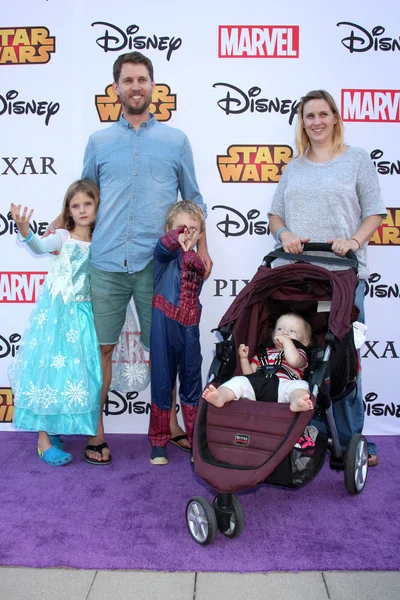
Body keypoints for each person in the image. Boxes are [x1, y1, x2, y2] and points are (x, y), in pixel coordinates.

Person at [49, 51, 212, 463]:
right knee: (99, 350)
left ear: (153, 86)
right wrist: (57, 225)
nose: (135, 86)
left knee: (165, 350)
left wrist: (204, 250)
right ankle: (95, 432)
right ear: (116, 88)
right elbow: (83, 193)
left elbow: (193, 200)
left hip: (159, 266)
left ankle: (170, 425)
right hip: (104, 264)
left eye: (142, 79)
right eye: (127, 80)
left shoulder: (176, 141)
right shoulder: (98, 142)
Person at [268, 89, 387, 467]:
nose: (316, 122)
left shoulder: (357, 160)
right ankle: (311, 433)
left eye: (323, 114)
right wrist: (284, 235)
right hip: (300, 279)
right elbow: (275, 215)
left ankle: (352, 442)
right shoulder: (294, 166)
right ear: (301, 122)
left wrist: (352, 240)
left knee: (344, 365)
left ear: (335, 117)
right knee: (302, 359)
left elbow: (375, 213)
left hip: (344, 278)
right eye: (309, 116)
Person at [8, 180, 103, 466]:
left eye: (88, 204)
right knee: (49, 372)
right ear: (68, 211)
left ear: (98, 206)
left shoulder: (101, 240)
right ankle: (43, 440)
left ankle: (57, 427)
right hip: (58, 317)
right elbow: (39, 246)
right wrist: (26, 232)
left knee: (78, 374)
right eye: (76, 206)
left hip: (86, 317)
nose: (82, 210)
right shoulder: (62, 237)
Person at [148, 201, 205, 464]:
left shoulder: (196, 260)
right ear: (169, 229)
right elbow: (165, 246)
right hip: (163, 326)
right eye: (181, 228)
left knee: (192, 383)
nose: (187, 233)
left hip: (190, 328)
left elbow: (198, 266)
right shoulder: (163, 255)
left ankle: (196, 441)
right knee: (162, 381)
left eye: (193, 229)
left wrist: (190, 246)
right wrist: (178, 236)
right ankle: (158, 441)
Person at [203, 313, 313, 413]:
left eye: (292, 331)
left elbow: (294, 361)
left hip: (284, 386)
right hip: (258, 385)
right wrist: (244, 359)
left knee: (301, 386)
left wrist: (286, 341)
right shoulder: (264, 353)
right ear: (273, 335)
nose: (284, 332)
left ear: (304, 341)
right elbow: (249, 375)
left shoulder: (300, 353)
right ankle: (221, 396)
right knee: (239, 381)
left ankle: (296, 402)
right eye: (280, 329)